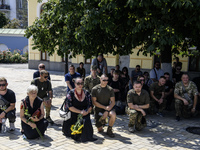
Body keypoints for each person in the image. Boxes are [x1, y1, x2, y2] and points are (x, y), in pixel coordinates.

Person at [62, 78, 96, 142]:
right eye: (78, 83)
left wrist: (87, 111)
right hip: (73, 114)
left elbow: (90, 105)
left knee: (86, 120)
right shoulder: (70, 93)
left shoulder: (87, 93)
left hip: (84, 113)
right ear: (75, 84)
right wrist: (80, 112)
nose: (80, 85)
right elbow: (69, 107)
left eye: (81, 83)